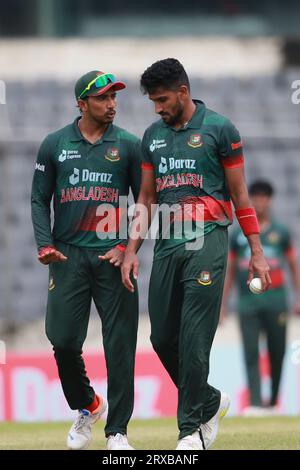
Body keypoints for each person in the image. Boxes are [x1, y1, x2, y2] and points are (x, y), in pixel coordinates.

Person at [121, 58, 271, 450]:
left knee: (193, 339)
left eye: (162, 99)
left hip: (208, 239)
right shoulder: (152, 137)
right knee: (162, 338)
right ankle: (209, 400)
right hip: (168, 244)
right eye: (153, 101)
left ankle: (190, 431)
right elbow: (147, 197)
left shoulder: (221, 130)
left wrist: (256, 251)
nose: (157, 108)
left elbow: (239, 196)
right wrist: (131, 248)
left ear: (183, 92)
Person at [31, 70, 141, 450]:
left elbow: (147, 203)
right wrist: (44, 243)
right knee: (62, 340)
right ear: (81, 103)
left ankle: (118, 432)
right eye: (102, 98)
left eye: (114, 98)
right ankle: (88, 406)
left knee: (120, 346)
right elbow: (37, 198)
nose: (111, 105)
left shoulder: (129, 145)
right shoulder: (54, 144)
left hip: (113, 258)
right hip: (67, 255)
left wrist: (128, 247)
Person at [221, 180, 300, 416]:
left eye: (264, 196)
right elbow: (230, 270)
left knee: (278, 351)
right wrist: (222, 305)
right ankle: (255, 402)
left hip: (277, 301)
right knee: (250, 351)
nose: (260, 201)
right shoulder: (238, 236)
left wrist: (298, 298)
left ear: (270, 200)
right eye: (255, 196)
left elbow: (293, 266)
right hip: (247, 303)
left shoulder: (281, 233)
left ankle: (274, 401)